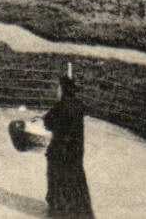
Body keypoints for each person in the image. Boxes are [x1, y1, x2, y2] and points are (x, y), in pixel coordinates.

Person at [41, 76, 94, 219]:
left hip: (60, 150)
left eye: (58, 87)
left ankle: (60, 211)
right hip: (76, 150)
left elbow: (48, 123)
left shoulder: (60, 107)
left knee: (58, 178)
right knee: (76, 179)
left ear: (63, 89)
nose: (56, 90)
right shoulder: (78, 105)